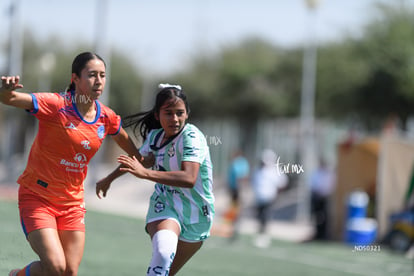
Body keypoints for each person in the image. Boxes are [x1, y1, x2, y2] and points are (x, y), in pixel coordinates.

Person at [1, 52, 140, 276]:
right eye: (92, 75)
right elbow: (10, 99)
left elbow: (131, 149)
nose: (99, 81)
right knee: (56, 266)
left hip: (72, 203)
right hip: (38, 197)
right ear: (75, 78)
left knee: (69, 272)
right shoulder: (56, 105)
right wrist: (5, 91)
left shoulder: (106, 116)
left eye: (103, 75)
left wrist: (139, 164)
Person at [96, 84, 215, 276]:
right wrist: (109, 179)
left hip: (197, 213)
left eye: (180, 113)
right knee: (163, 252)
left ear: (187, 114)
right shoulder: (155, 137)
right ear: (157, 115)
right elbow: (138, 161)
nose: (175, 119)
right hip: (165, 204)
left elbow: (189, 178)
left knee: (165, 273)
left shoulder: (192, 137)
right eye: (168, 113)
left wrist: (145, 173)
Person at [251, 149, 288, 248]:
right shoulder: (258, 170)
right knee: (259, 217)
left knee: (265, 217)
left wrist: (277, 194)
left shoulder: (274, 171)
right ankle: (260, 234)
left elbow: (282, 183)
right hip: (259, 198)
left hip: (269, 197)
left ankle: (264, 235)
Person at [223, 149, 249, 239]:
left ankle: (234, 227)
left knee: (235, 209)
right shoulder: (240, 162)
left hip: (236, 190)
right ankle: (232, 226)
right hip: (235, 189)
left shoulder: (238, 162)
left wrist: (239, 190)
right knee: (233, 208)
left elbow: (240, 176)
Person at [309, 157, 335, 240]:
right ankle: (317, 233)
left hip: (325, 197)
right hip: (317, 197)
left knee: (325, 217)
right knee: (317, 217)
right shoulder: (316, 173)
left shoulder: (328, 174)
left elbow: (330, 186)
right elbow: (313, 185)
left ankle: (324, 234)